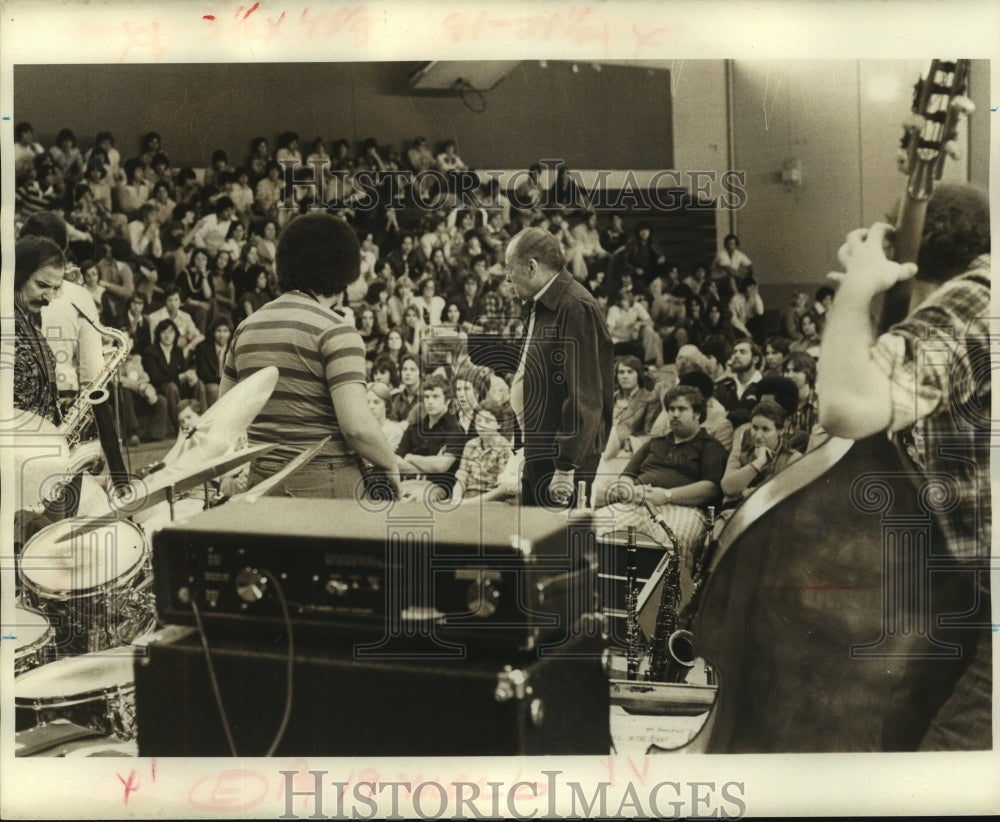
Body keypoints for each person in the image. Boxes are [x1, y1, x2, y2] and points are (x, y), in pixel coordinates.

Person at [817, 184, 991, 750]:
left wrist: (858, 290)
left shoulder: (967, 304)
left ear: (905, 262)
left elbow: (844, 405)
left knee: (941, 775)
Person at [220, 212, 400, 499]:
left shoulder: (245, 328)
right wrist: (390, 462)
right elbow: (356, 428)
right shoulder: (337, 331)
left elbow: (226, 418)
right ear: (342, 273)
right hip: (324, 482)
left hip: (261, 482)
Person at [505, 226, 614, 507]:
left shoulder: (575, 307)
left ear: (531, 267)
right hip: (540, 448)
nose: (507, 277)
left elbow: (585, 395)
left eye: (510, 268)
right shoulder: (538, 305)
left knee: (556, 547)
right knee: (531, 544)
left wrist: (566, 467)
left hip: (562, 461)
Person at [13, 236, 66, 425]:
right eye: (42, 285)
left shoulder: (32, 318)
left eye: (55, 288)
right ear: (18, 276)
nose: (49, 298)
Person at [720, 397, 802, 506]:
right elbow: (728, 488)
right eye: (754, 428)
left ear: (780, 431)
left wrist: (744, 492)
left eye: (765, 429)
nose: (758, 436)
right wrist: (759, 462)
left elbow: (783, 496)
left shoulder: (793, 458)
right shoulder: (739, 452)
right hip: (734, 514)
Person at [394, 373, 465, 500]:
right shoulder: (413, 429)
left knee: (416, 498)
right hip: (410, 484)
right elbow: (396, 463)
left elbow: (441, 466)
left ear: (447, 400)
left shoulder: (455, 430)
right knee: (389, 493)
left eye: (435, 396)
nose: (430, 401)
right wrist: (429, 466)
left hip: (440, 488)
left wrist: (411, 457)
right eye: (426, 397)